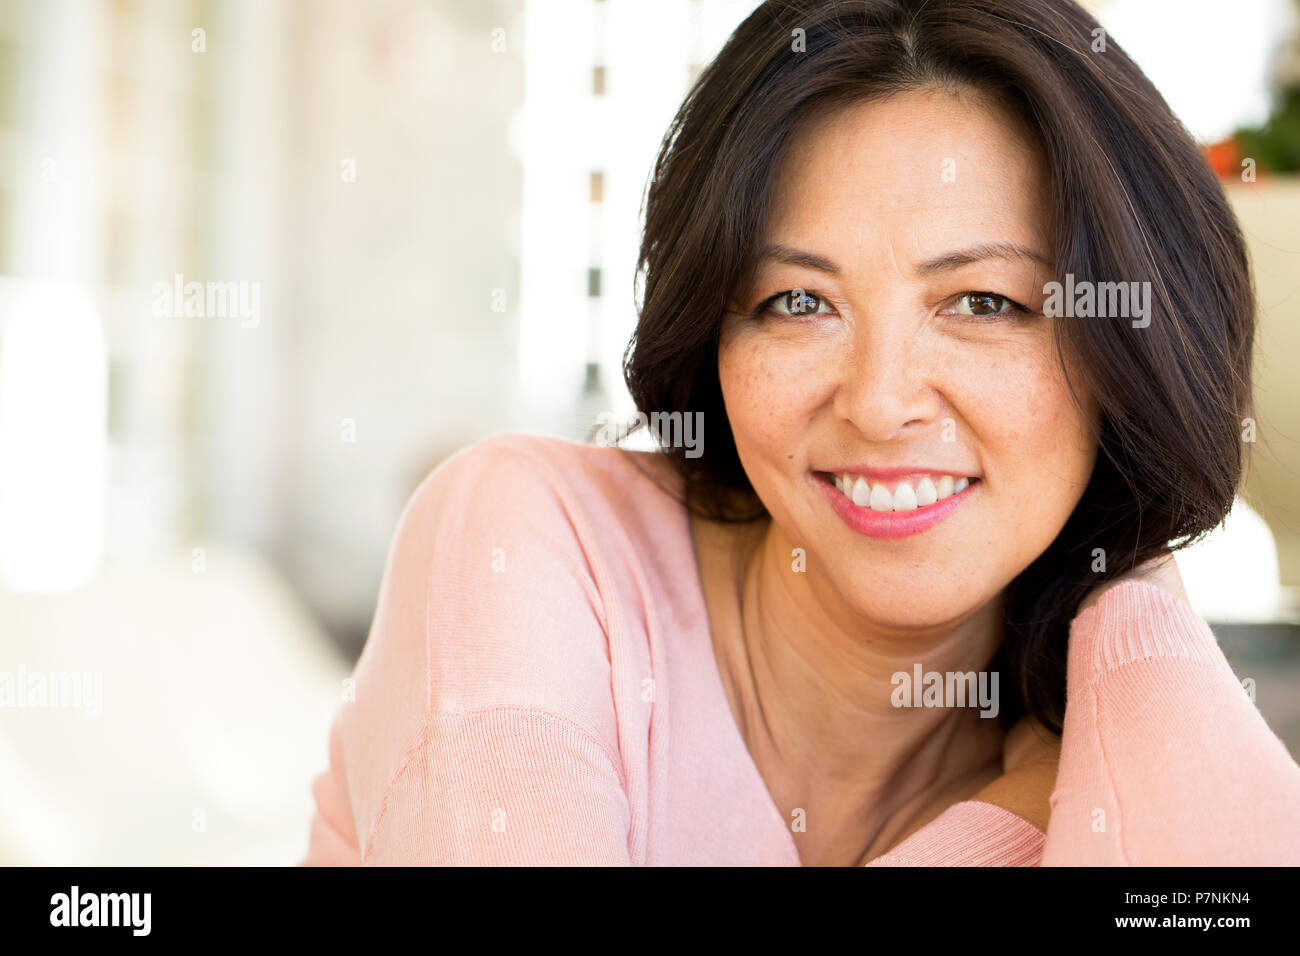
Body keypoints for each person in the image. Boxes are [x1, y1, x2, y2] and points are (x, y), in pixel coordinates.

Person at [301, 0, 1300, 865]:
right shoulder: (529, 534)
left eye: (985, 301)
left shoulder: (1112, 750)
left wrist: (1137, 612)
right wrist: (1009, 816)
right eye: (796, 301)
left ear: (1127, 345)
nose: (877, 399)